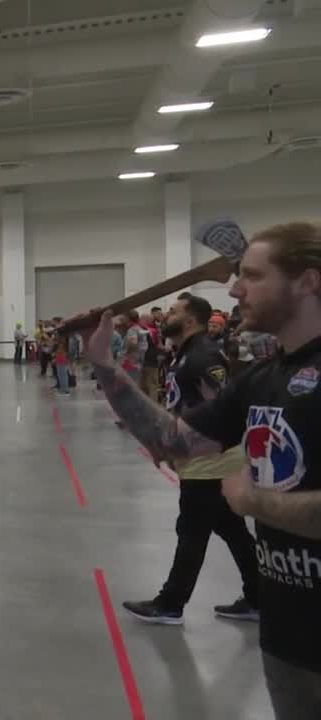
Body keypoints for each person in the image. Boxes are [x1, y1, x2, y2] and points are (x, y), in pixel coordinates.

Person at [80, 222, 321, 719]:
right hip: (288, 636)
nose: (234, 290)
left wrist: (253, 501)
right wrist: (104, 364)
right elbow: (173, 441)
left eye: (251, 276)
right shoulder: (262, 377)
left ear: (308, 281)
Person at [120, 293, 259, 625]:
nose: (166, 315)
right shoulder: (185, 354)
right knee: (231, 529)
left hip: (209, 460)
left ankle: (171, 602)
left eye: (174, 311)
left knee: (192, 529)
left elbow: (223, 409)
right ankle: (260, 597)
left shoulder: (204, 356)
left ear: (192, 319)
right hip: (198, 458)